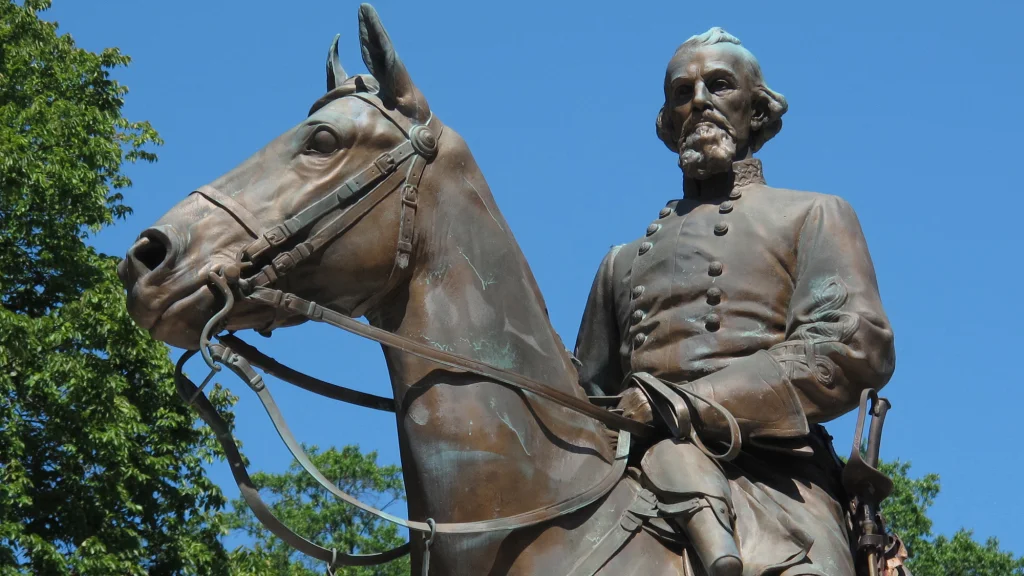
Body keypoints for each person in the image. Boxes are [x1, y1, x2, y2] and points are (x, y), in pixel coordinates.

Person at [574, 27, 896, 576]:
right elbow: (585, 396)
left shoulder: (813, 214)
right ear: (668, 121)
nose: (698, 100)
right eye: (682, 91)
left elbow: (850, 346)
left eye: (718, 85)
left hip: (776, 478)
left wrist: (684, 404)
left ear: (757, 110)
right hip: (638, 474)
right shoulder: (621, 263)